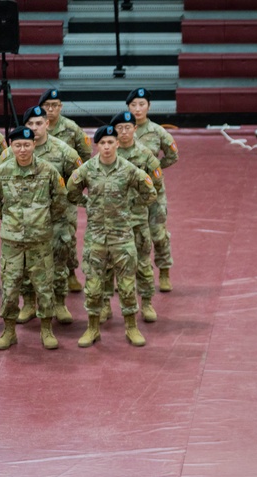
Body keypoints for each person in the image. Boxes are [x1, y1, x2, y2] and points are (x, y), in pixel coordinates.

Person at [66, 124, 157, 348]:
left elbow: (150, 192)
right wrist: (87, 204)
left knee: (126, 286)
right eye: (102, 143)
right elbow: (71, 190)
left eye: (110, 142)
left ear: (117, 143)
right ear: (97, 145)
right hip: (96, 237)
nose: (106, 147)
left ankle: (131, 327)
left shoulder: (128, 169)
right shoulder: (87, 170)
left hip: (122, 237)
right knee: (94, 286)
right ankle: (92, 328)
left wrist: (130, 206)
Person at [0, 105, 83, 325]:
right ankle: (28, 303)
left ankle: (60, 303)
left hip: (58, 218)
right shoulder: (9, 154)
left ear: (47, 123)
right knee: (25, 265)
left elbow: (77, 180)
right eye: (30, 124)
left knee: (58, 261)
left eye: (39, 123)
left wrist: (53, 211)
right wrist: (11, 216)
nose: (35, 127)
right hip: (21, 224)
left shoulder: (64, 151)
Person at [0, 127, 67, 350]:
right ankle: (9, 331)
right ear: (11, 147)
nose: (23, 149)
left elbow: (60, 200)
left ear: (33, 145)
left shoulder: (48, 171)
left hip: (40, 240)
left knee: (44, 286)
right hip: (12, 241)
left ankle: (46, 330)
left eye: (26, 145)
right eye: (17, 145)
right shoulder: (2, 172)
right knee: (9, 288)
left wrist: (43, 220)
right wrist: (10, 219)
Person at [109, 109, 164, 324]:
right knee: (109, 264)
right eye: (119, 128)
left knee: (142, 262)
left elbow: (156, 183)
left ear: (134, 129)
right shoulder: (108, 153)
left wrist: (140, 202)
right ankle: (105, 304)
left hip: (137, 218)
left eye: (127, 128)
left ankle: (147, 303)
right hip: (113, 220)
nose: (123, 132)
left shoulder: (144, 155)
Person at [126, 88, 178, 292]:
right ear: (128, 107)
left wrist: (154, 169)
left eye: (142, 104)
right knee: (130, 236)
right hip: (130, 194)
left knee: (158, 234)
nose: (138, 109)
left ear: (149, 106)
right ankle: (129, 276)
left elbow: (173, 155)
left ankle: (164, 271)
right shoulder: (123, 130)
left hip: (154, 192)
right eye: (133, 105)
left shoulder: (157, 131)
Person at [39, 89, 89, 293]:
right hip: (39, 194)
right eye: (47, 106)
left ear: (60, 107)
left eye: (55, 105)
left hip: (64, 193)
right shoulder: (34, 128)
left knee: (66, 235)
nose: (51, 109)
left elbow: (84, 156)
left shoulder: (71, 128)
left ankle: (70, 273)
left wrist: (74, 182)